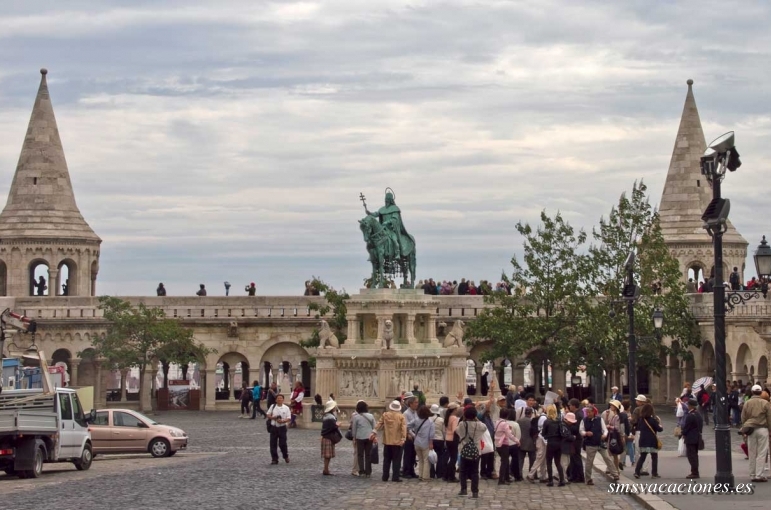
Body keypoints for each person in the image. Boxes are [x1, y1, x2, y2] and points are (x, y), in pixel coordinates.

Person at [580, 405, 619, 484]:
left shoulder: (599, 419)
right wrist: (586, 433)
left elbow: (605, 429)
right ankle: (588, 479)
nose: (588, 414)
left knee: (607, 458)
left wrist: (604, 435)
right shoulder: (584, 420)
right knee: (589, 462)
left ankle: (615, 474)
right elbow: (581, 430)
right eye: (587, 412)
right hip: (590, 443)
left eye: (589, 412)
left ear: (593, 412)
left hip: (600, 443)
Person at [741, 384, 771, 482]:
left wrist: (744, 427)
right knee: (762, 453)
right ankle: (759, 474)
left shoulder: (747, 403)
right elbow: (769, 418)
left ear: (752, 392)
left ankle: (752, 474)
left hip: (750, 429)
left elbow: (743, 417)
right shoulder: (765, 403)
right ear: (761, 392)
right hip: (762, 428)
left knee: (752, 452)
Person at [372, 400, 407, 482]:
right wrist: (403, 438)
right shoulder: (401, 416)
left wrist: (374, 431)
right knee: (396, 460)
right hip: (397, 442)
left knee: (386, 460)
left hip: (387, 441)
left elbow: (379, 423)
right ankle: (395, 477)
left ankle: (385, 476)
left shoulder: (385, 415)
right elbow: (403, 428)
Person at [457, 405, 488, 498]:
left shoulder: (462, 424)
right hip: (476, 450)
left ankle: (463, 489)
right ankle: (475, 491)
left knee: (463, 471)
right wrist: (476, 419)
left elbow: (457, 431)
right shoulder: (479, 425)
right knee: (475, 471)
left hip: (464, 449)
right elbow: (485, 428)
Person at [634, 403, 662, 479]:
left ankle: (637, 472)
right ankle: (654, 473)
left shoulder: (641, 420)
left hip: (643, 440)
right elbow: (660, 429)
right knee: (654, 457)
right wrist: (660, 423)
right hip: (652, 441)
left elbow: (638, 426)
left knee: (642, 457)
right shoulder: (653, 420)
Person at [541, 404, 565, 487]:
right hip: (559, 443)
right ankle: (562, 480)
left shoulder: (547, 421)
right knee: (558, 462)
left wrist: (547, 435)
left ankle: (550, 480)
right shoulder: (559, 421)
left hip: (551, 442)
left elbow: (543, 433)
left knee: (549, 462)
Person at [352, 401, 376, 478]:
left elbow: (354, 429)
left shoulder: (356, 417)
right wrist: (374, 435)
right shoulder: (371, 416)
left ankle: (361, 471)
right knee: (368, 454)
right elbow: (374, 427)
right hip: (369, 437)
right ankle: (368, 471)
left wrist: (354, 438)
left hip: (360, 437)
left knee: (360, 455)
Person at [681, 398, 703, 478]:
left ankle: (694, 472)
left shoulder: (690, 415)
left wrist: (683, 433)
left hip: (690, 438)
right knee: (695, 455)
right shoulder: (698, 414)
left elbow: (686, 427)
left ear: (690, 406)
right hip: (697, 437)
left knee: (691, 456)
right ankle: (695, 471)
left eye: (688, 405)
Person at [412, 405, 435, 481]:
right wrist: (431, 443)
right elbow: (431, 435)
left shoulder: (416, 420)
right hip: (425, 443)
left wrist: (413, 435)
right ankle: (425, 476)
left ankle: (420, 475)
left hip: (417, 442)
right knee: (426, 460)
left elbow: (408, 426)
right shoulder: (430, 422)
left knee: (420, 460)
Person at [267, 394, 291, 464]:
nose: (279, 400)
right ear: (276, 400)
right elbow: (268, 414)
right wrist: (273, 417)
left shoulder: (286, 408)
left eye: (281, 398)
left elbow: (289, 418)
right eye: (278, 398)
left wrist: (283, 421)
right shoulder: (272, 406)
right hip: (274, 427)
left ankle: (285, 455)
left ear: (283, 400)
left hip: (282, 427)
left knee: (282, 444)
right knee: (273, 444)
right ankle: (274, 459)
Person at [494, 408, 516, 485]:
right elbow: (509, 434)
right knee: (504, 462)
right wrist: (517, 440)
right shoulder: (504, 424)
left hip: (498, 444)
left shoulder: (497, 422)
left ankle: (506, 477)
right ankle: (502, 479)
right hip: (503, 444)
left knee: (506, 461)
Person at [320, 400, 341, 475]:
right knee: (327, 455)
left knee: (327, 455)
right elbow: (332, 427)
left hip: (326, 436)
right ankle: (325, 469)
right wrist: (337, 425)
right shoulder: (330, 417)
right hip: (328, 437)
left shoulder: (326, 416)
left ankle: (326, 469)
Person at [402, 395, 419, 478]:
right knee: (408, 454)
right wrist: (411, 434)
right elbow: (406, 425)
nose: (417, 404)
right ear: (411, 404)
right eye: (416, 402)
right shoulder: (406, 413)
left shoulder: (416, 412)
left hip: (415, 436)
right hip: (408, 436)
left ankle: (412, 471)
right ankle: (406, 471)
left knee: (413, 454)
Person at [443, 402, 461, 482]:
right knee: (453, 458)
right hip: (453, 439)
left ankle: (446, 474)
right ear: (454, 410)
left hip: (448, 438)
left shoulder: (448, 417)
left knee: (450, 458)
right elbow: (455, 430)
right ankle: (451, 476)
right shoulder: (454, 418)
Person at [564, 412, 583, 483]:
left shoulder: (579, 415)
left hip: (575, 442)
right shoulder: (564, 425)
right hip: (571, 443)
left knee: (573, 459)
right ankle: (571, 475)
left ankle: (578, 476)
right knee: (570, 460)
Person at [518, 407, 536, 477]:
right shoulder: (532, 421)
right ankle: (532, 474)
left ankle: (519, 474)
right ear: (531, 413)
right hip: (531, 442)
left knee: (520, 460)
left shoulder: (519, 421)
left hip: (521, 442)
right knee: (532, 460)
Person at [429, 403, 446, 480]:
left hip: (431, 439)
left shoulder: (428, 419)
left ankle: (431, 472)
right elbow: (444, 431)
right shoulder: (441, 420)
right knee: (440, 456)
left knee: (430, 456)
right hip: (440, 439)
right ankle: (439, 473)